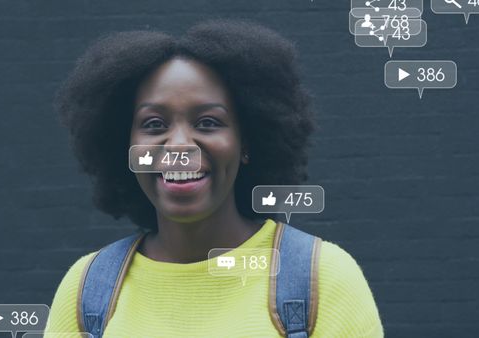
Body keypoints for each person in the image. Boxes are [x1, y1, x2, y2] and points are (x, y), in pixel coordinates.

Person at [45, 19, 384, 337]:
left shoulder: (324, 280)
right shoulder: (86, 292)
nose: (179, 146)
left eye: (207, 122)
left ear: (246, 142)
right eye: (154, 124)